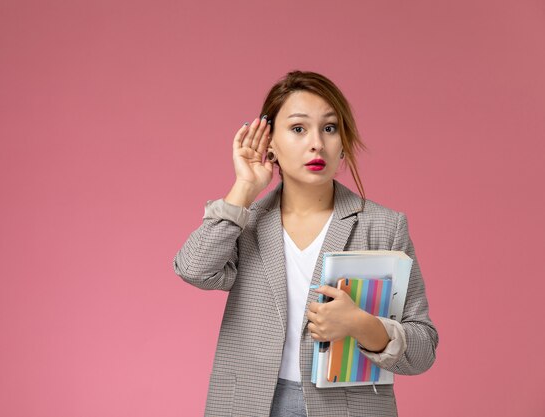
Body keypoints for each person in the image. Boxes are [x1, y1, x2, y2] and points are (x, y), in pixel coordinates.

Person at [172, 70, 438, 417]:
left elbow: (423, 350)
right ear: (270, 142)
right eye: (298, 129)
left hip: (347, 408)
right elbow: (193, 270)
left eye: (329, 128)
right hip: (251, 404)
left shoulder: (384, 225)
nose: (317, 143)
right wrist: (244, 188)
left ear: (343, 143)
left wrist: (362, 324)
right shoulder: (246, 222)